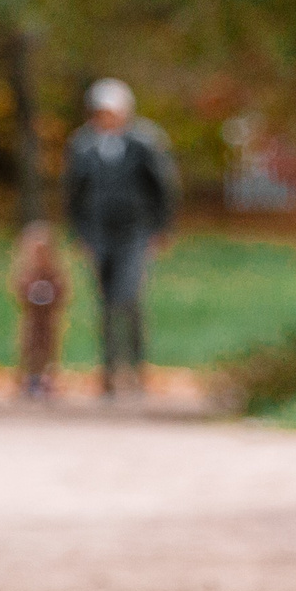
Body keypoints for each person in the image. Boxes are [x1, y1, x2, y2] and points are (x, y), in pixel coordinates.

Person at [61, 78, 179, 397]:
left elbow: (162, 189)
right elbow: (73, 193)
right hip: (99, 232)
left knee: (129, 297)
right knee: (105, 301)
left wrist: (161, 229)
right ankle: (109, 371)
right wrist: (80, 232)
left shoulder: (144, 143)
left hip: (135, 231)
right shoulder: (82, 146)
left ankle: (137, 368)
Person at [8, 220, 69, 399]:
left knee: (49, 348)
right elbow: (19, 291)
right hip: (32, 320)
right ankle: (28, 379)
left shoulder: (54, 273)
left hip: (48, 321)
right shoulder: (27, 273)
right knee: (29, 347)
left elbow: (62, 291)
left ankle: (47, 379)